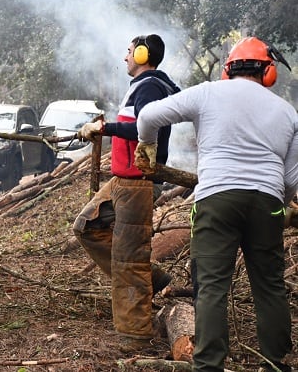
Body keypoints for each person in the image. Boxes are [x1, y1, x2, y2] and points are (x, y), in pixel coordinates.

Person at [135, 36, 297, 372]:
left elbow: (148, 115)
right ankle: (275, 362)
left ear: (228, 69)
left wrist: (148, 148)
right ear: (268, 72)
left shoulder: (208, 92)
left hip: (218, 199)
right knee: (269, 283)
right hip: (266, 201)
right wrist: (278, 208)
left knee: (211, 285)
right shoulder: (286, 112)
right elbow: (292, 178)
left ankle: (208, 364)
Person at [73, 34, 181, 346]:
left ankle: (134, 335)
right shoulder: (142, 86)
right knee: (87, 227)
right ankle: (154, 277)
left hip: (139, 183)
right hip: (123, 180)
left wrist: (103, 127)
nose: (126, 57)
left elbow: (143, 127)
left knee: (129, 258)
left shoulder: (149, 86)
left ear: (144, 54)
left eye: (130, 51)